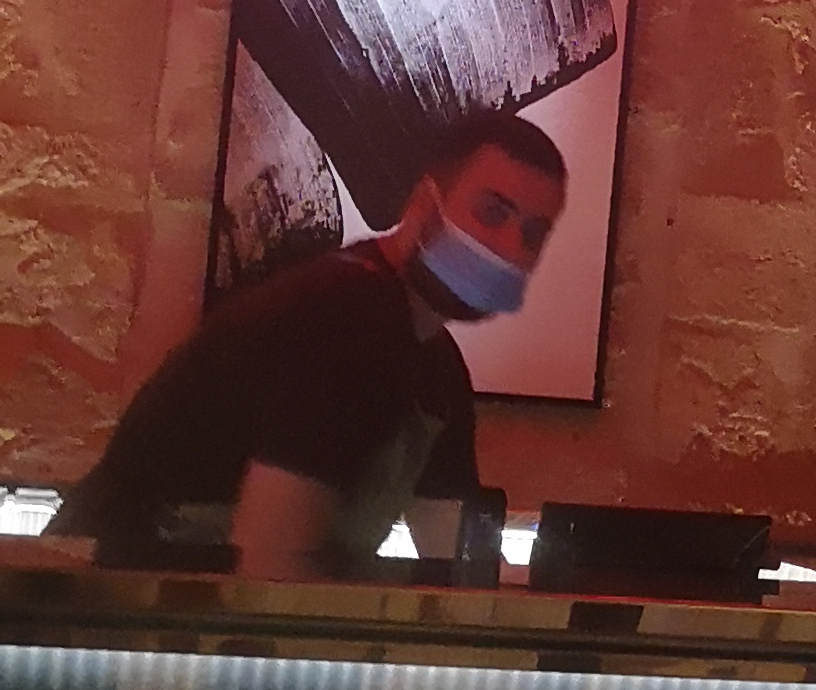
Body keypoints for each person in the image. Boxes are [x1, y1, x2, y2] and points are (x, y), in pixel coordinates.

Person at [56, 113, 568, 578]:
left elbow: (457, 557)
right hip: (109, 609)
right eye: (491, 213)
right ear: (424, 204)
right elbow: (272, 560)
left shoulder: (438, 368)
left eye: (532, 234)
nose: (509, 248)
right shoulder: (345, 315)